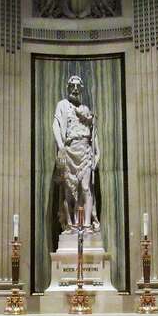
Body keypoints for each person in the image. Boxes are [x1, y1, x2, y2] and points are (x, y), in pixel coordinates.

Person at [52, 75, 100, 233]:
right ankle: (71, 225)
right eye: (72, 85)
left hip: (85, 150)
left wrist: (96, 154)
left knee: (86, 187)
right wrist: (61, 147)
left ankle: (86, 225)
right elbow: (56, 125)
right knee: (68, 189)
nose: (75, 89)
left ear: (82, 89)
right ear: (68, 87)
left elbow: (94, 135)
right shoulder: (62, 105)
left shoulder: (86, 109)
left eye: (78, 87)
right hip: (69, 149)